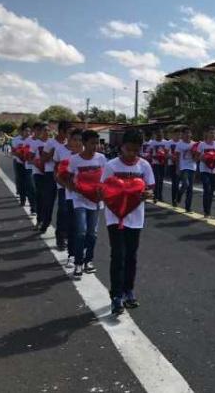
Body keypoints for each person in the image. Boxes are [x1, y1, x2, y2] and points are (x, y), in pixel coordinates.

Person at [101, 129, 155, 315]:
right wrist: (117, 198)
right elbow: (104, 190)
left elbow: (149, 188)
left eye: (136, 150)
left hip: (135, 218)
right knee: (118, 255)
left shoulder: (145, 166)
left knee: (131, 255)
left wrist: (146, 194)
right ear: (121, 147)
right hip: (115, 217)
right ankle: (116, 295)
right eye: (128, 149)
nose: (132, 154)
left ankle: (128, 290)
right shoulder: (111, 166)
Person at [66, 130, 107, 277]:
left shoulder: (102, 158)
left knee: (92, 233)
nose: (95, 146)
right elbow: (69, 178)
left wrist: (102, 192)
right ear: (84, 143)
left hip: (96, 201)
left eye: (97, 143)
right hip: (80, 200)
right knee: (81, 231)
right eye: (92, 143)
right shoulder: (75, 159)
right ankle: (78, 263)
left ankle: (88, 261)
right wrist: (76, 189)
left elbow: (106, 179)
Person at [54, 128, 82, 265]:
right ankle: (61, 238)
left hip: (84, 195)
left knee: (82, 226)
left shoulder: (89, 155)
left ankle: (82, 254)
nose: (77, 142)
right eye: (74, 139)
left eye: (80, 140)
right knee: (65, 214)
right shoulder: (61, 151)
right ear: (69, 139)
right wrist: (65, 184)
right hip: (65, 189)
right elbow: (56, 171)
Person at [40, 121, 71, 237]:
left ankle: (62, 233)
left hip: (65, 177)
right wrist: (51, 154)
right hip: (50, 175)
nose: (69, 135)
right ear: (61, 131)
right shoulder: (50, 143)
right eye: (68, 132)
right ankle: (45, 223)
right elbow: (42, 160)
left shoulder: (69, 144)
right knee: (49, 202)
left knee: (64, 207)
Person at [197, 126, 215, 218]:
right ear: (207, 133)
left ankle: (209, 211)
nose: (213, 135)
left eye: (214, 133)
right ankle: (206, 212)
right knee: (206, 189)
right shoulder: (202, 145)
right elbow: (197, 157)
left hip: (214, 170)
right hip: (204, 169)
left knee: (211, 191)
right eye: (211, 133)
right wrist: (205, 158)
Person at [30, 122, 51, 232]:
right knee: (40, 196)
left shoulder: (52, 143)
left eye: (48, 130)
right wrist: (37, 163)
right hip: (38, 173)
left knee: (47, 198)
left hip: (49, 173)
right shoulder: (35, 143)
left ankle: (46, 219)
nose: (47, 132)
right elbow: (30, 158)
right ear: (40, 132)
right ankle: (39, 220)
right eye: (44, 130)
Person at [175, 126, 197, 213]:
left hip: (192, 167)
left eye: (189, 133)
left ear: (191, 134)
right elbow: (177, 157)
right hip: (183, 167)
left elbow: (196, 157)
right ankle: (179, 195)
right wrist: (177, 168)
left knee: (190, 188)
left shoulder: (194, 144)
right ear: (182, 134)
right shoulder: (179, 144)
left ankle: (188, 207)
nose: (187, 135)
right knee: (186, 184)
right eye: (185, 133)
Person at [147, 128, 168, 204]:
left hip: (163, 163)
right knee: (156, 179)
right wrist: (153, 156)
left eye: (161, 133)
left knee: (161, 180)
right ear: (156, 134)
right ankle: (155, 195)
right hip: (155, 163)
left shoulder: (166, 142)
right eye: (158, 133)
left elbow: (167, 153)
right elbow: (149, 152)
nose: (160, 135)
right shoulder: (152, 143)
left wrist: (164, 156)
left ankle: (160, 196)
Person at [11, 123, 30, 202]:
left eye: (29, 131)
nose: (28, 133)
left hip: (28, 163)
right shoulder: (16, 140)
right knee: (20, 179)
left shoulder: (31, 139)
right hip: (18, 162)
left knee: (28, 180)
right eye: (26, 131)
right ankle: (22, 196)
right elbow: (13, 151)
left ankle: (28, 195)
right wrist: (20, 156)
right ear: (22, 131)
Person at [167, 127, 181, 206]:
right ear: (173, 135)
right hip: (172, 164)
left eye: (179, 134)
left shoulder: (182, 143)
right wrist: (171, 156)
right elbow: (165, 154)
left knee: (180, 183)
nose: (178, 136)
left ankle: (178, 195)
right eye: (176, 134)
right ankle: (174, 200)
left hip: (180, 165)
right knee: (175, 182)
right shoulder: (169, 143)